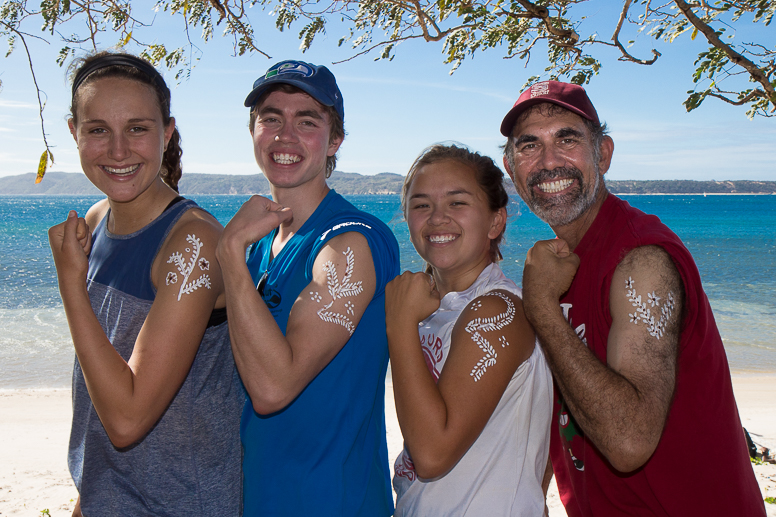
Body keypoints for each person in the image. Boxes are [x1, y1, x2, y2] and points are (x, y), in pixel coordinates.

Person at [500, 80, 765, 516]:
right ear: (511, 168)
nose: (549, 162)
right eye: (529, 146)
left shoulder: (640, 262)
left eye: (567, 139)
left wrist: (542, 310)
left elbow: (629, 442)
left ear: (603, 153)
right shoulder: (562, 263)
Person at [48, 52, 244, 516]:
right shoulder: (96, 222)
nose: (118, 150)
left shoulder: (192, 240)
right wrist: (89, 494)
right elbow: (100, 380)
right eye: (98, 130)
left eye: (137, 128)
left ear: (167, 132)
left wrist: (71, 287)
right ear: (75, 132)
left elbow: (128, 418)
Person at [215, 60, 399, 516]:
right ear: (253, 131)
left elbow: (274, 387)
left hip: (332, 499)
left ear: (335, 140)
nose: (285, 135)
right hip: (260, 495)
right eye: (271, 118)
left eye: (307, 121)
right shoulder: (260, 247)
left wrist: (229, 252)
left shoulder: (350, 240)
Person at [386, 144, 553, 516]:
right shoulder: (433, 309)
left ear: (496, 221)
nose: (437, 218)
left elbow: (431, 454)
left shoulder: (498, 310)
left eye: (457, 203)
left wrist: (398, 323)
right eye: (421, 204)